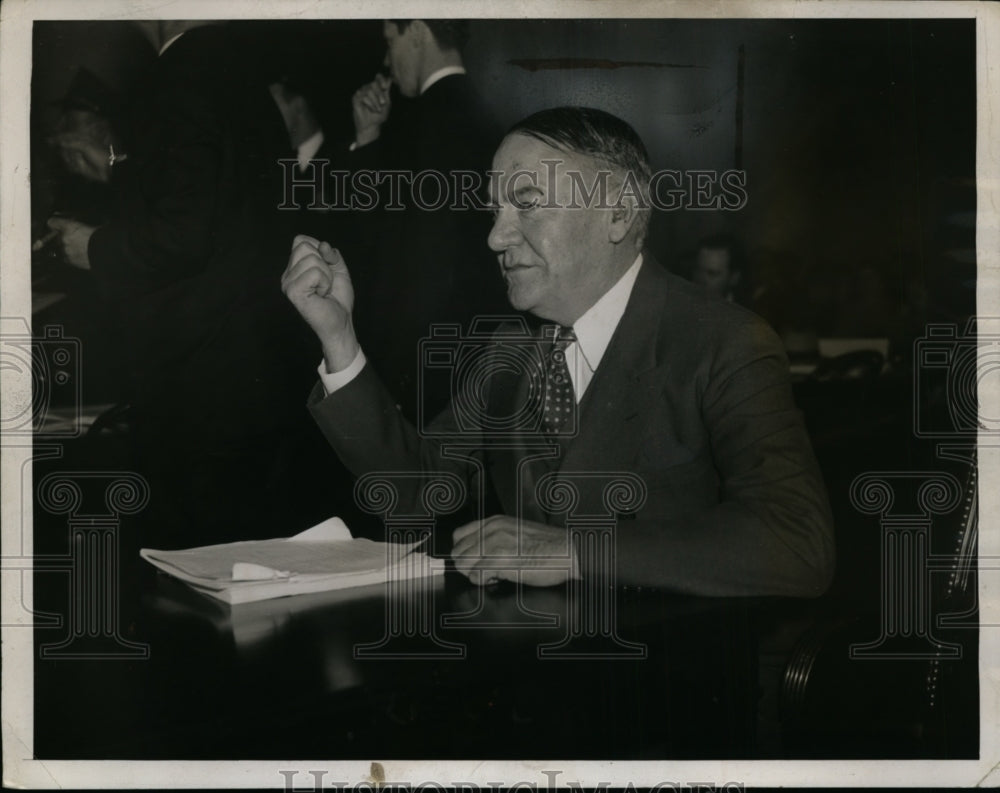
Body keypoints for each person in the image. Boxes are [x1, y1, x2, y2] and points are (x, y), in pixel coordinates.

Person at [282, 107, 835, 597]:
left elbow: (796, 542)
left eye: (526, 204)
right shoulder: (512, 350)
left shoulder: (725, 343)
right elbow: (414, 493)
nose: (496, 237)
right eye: (495, 211)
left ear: (617, 214)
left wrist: (573, 552)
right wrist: (339, 337)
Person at [46, 21, 319, 547]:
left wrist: (91, 245)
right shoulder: (234, 73)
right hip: (257, 376)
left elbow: (182, 233)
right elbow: (215, 216)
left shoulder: (174, 77)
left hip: (200, 389)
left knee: (192, 576)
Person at [330, 19, 507, 420]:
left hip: (417, 376)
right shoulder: (487, 116)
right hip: (473, 366)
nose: (385, 58)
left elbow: (378, 253)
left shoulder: (416, 128)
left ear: (419, 30)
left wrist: (368, 141)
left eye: (389, 39)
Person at [691, 232, 745, 303]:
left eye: (712, 274)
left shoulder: (746, 311)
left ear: (734, 278)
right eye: (698, 270)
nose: (701, 280)